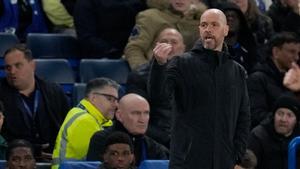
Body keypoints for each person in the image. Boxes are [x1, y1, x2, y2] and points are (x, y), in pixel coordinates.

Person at [148, 8, 250, 169]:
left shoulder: (236, 71)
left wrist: (235, 155)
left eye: (214, 25)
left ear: (226, 30)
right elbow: (158, 97)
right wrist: (160, 66)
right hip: (186, 162)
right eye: (204, 25)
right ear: (199, 30)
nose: (208, 29)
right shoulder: (180, 64)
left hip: (223, 162)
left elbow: (243, 118)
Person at [0, 44, 70, 161]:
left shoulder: (54, 91)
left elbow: (67, 127)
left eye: (18, 65)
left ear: (32, 65)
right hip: (14, 160)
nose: (12, 71)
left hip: (52, 157)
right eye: (8, 68)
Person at [126, 27, 185, 147]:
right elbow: (136, 119)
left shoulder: (194, 74)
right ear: (155, 47)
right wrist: (169, 139)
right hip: (156, 141)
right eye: (164, 42)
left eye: (174, 42)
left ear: (183, 48)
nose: (169, 46)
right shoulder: (139, 76)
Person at [52, 78, 119, 168]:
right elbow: (98, 162)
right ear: (93, 98)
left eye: (116, 100)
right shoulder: (85, 121)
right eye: (110, 99)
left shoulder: (86, 115)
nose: (116, 105)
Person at [87, 93, 169, 166]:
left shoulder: (155, 148)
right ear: (119, 115)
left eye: (146, 113)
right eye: (136, 113)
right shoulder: (101, 139)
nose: (142, 119)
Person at [124, 0, 207, 69]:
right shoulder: (150, 17)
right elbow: (134, 48)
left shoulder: (201, 21)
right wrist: (145, 73)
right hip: (153, 73)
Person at [247, 32, 300, 128]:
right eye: (292, 52)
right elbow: (256, 116)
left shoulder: (295, 78)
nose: (296, 57)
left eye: (298, 53)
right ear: (275, 52)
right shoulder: (258, 79)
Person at [73, 0, 147, 58]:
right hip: (104, 58)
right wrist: (114, 52)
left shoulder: (137, 3)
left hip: (134, 52)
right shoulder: (85, 3)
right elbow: (87, 38)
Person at [247, 95, 300, 169]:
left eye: (289, 115)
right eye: (280, 113)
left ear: (296, 120)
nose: (283, 119)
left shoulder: (298, 138)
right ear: (273, 116)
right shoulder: (258, 136)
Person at [217, 1, 258, 72]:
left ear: (241, 22)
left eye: (234, 16)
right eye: (226, 17)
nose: (230, 19)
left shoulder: (249, 50)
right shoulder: (211, 50)